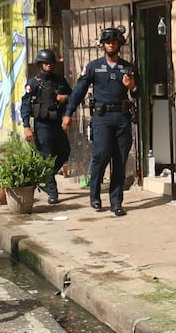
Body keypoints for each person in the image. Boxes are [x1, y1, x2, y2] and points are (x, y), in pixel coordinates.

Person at [62, 26, 139, 216]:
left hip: (122, 118)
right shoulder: (93, 67)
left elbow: (139, 94)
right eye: (107, 41)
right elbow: (79, 91)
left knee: (120, 161)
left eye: (114, 41)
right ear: (103, 44)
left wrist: (133, 86)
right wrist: (68, 113)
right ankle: (95, 196)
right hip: (102, 118)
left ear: (119, 44)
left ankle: (116, 202)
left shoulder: (128, 68)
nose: (111, 44)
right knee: (101, 156)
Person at [19, 49, 72, 205]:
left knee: (64, 152)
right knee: (47, 157)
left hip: (57, 123)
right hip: (42, 125)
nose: (48, 65)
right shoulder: (33, 83)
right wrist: (26, 126)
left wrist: (65, 98)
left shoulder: (60, 81)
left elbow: (73, 96)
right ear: (40, 64)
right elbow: (25, 105)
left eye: (50, 63)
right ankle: (52, 192)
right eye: (45, 63)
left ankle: (44, 178)